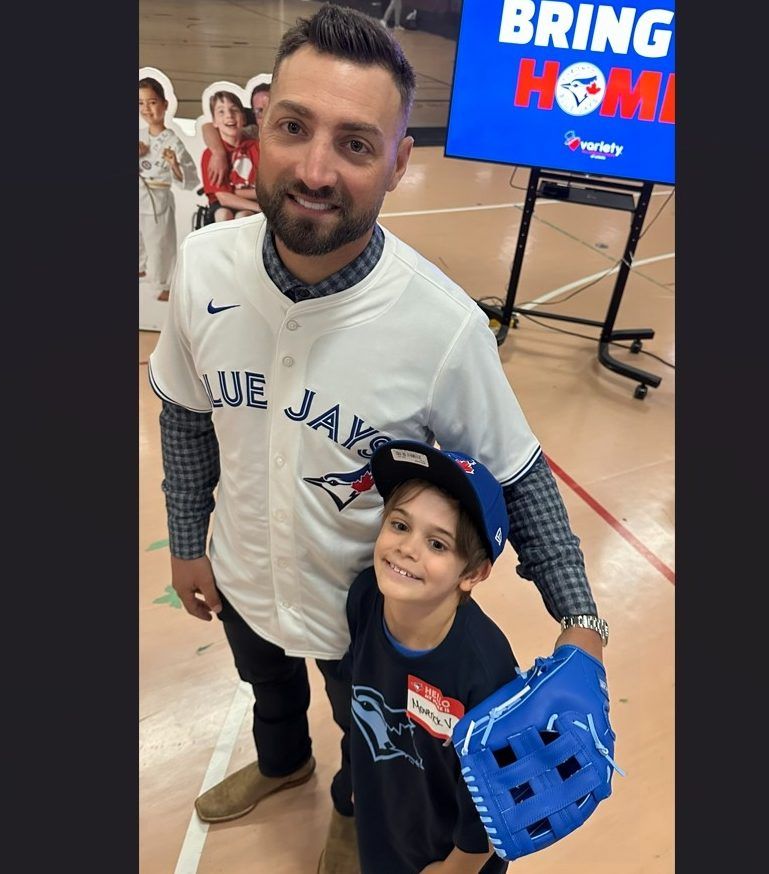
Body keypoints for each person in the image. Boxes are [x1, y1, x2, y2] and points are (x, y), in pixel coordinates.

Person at [147, 7, 609, 873]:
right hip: (239, 566)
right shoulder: (207, 267)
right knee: (264, 684)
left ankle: (354, 808)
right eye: (293, 127)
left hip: (357, 618)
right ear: (257, 129)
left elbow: (520, 474)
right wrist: (186, 541)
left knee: (365, 730)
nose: (314, 169)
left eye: (356, 144)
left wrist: (580, 622)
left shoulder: (439, 329)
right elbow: (183, 411)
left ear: (399, 161)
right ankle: (283, 765)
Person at [345, 440, 518, 874]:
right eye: (400, 525)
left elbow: (497, 800)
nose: (407, 548)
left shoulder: (487, 670)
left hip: (451, 854)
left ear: (473, 574)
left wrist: (458, 867)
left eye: (438, 544)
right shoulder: (365, 596)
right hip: (383, 821)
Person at [139, 76, 198, 302]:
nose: (146, 109)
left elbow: (189, 178)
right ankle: (140, 266)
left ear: (164, 104)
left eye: (152, 102)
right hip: (139, 192)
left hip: (158, 196)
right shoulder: (140, 137)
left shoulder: (172, 140)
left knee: (159, 240)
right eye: (141, 103)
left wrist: (174, 163)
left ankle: (162, 283)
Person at [198, 90, 260, 223]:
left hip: (251, 205)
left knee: (244, 217)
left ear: (243, 118)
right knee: (224, 214)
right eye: (221, 112)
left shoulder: (256, 147)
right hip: (224, 206)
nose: (229, 116)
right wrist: (260, 208)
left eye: (234, 110)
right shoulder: (211, 154)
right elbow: (223, 197)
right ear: (214, 122)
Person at [202, 81, 270, 189]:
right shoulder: (252, 132)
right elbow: (208, 127)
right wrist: (218, 153)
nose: (267, 114)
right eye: (260, 111)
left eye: (272, 107)